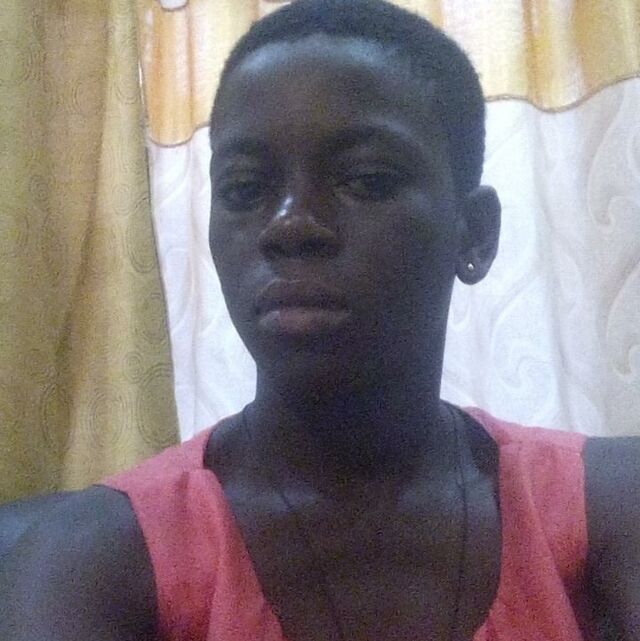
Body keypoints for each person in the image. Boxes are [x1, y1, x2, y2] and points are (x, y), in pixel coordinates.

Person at [0, 0, 638, 639]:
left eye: (366, 180)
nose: (290, 225)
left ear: (474, 233)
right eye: (245, 190)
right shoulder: (94, 557)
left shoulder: (610, 505)